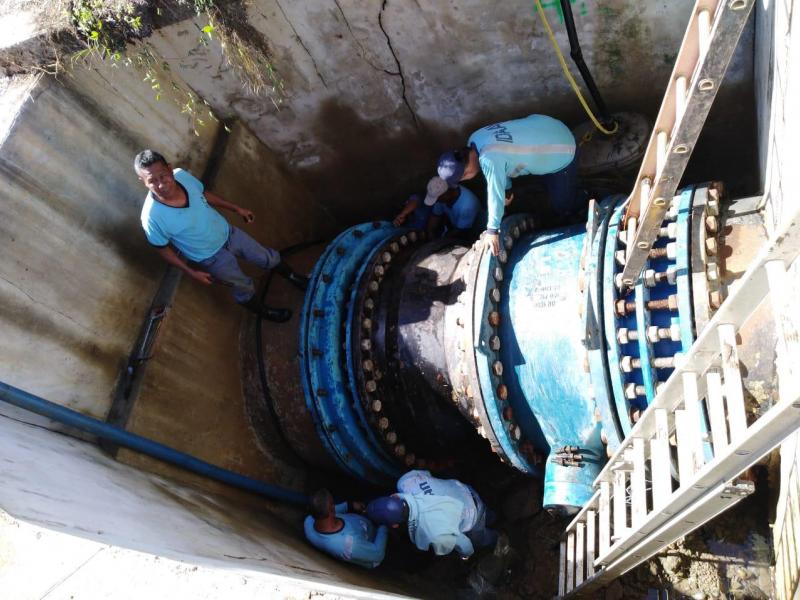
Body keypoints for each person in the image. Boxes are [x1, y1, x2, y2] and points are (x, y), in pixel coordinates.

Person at [135, 150, 307, 322]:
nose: (160, 184)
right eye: (152, 181)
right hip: (210, 257)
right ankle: (265, 312)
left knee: (266, 257)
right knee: (241, 285)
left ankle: (294, 277)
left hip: (228, 233)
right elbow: (162, 249)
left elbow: (203, 194)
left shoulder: (182, 176)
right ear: (143, 181)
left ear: (170, 169)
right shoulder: (151, 217)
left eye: (163, 176)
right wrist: (191, 272)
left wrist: (236, 208)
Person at [437, 114, 582, 255]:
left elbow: (495, 191)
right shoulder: (474, 139)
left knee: (562, 204)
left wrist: (492, 230)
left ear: (465, 174)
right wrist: (507, 187)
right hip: (549, 124)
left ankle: (581, 201)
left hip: (564, 149)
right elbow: (500, 165)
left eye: (462, 179)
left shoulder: (489, 159)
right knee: (546, 181)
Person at [366, 470, 497, 559]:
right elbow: (427, 474)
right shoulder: (405, 481)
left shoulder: (433, 533)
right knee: (489, 513)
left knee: (482, 538)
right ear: (393, 496)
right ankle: (495, 516)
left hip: (473, 517)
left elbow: (465, 544)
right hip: (465, 490)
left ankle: (499, 538)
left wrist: (466, 556)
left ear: (395, 525)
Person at [304, 489, 388, 569]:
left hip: (363, 524)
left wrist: (350, 505)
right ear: (331, 509)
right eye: (333, 504)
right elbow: (378, 555)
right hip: (374, 543)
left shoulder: (310, 521)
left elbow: (329, 510)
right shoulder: (348, 544)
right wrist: (383, 525)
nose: (335, 507)